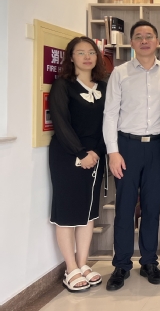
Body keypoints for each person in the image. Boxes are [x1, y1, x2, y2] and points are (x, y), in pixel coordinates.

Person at [103, 20, 160, 291]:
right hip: (127, 147)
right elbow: (110, 114)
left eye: (149, 36)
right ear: (131, 42)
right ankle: (121, 264)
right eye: (139, 36)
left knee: (152, 208)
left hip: (158, 146)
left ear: (158, 41)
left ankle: (149, 262)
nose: (144, 40)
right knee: (124, 208)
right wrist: (113, 152)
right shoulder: (119, 73)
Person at [49, 37, 107, 293]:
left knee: (88, 211)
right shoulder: (63, 85)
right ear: (71, 57)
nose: (87, 57)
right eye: (80, 52)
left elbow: (109, 122)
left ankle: (83, 263)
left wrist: (97, 152)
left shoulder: (104, 86)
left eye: (91, 52)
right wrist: (81, 153)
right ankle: (70, 268)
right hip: (68, 155)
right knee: (67, 211)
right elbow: (61, 122)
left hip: (96, 156)